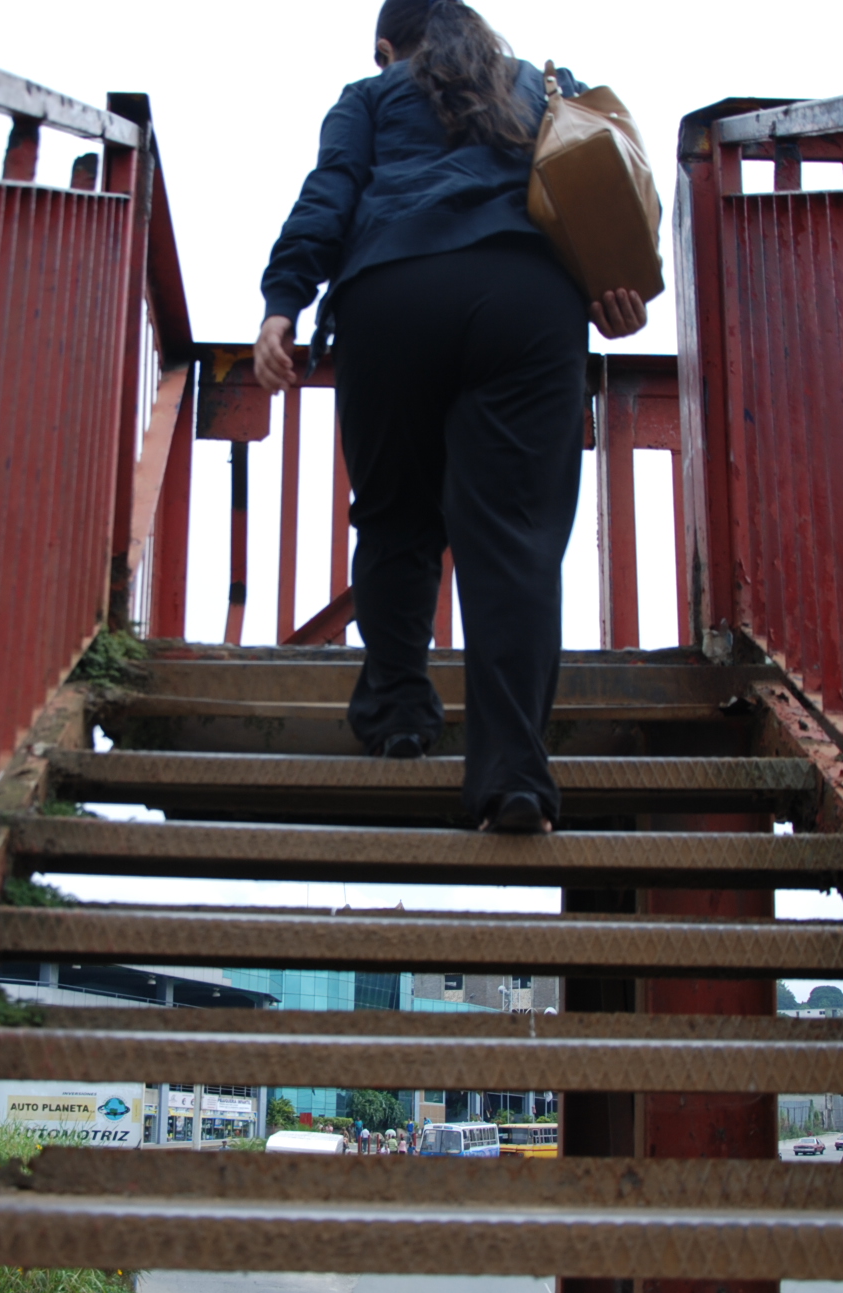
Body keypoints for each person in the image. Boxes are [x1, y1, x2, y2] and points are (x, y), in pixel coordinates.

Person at [255, 0, 647, 834]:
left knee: (395, 514)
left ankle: (399, 712)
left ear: (387, 46)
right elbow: (594, 185)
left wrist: (283, 300)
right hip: (525, 296)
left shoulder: (366, 96)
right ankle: (514, 781)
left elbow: (332, 190)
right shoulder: (543, 87)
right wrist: (614, 283)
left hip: (392, 292)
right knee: (515, 540)